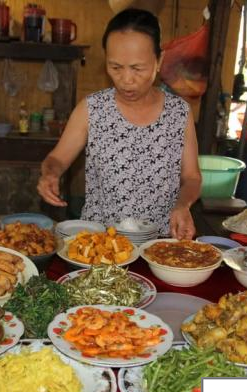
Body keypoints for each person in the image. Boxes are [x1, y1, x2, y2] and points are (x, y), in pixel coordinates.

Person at [37, 8, 202, 240]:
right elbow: (56, 159)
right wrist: (50, 174)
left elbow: (192, 177)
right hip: (99, 245)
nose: (126, 79)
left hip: (159, 246)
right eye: (115, 67)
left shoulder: (179, 113)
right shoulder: (91, 109)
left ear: (159, 61)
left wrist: (183, 205)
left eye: (137, 68)